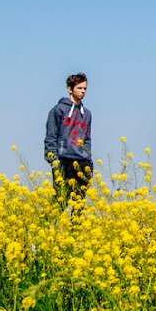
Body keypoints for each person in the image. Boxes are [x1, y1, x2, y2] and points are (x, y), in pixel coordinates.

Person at [45, 73, 93, 210]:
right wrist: (53, 160)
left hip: (82, 161)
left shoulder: (87, 114)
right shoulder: (58, 110)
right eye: (79, 88)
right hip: (63, 160)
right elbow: (50, 136)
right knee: (61, 200)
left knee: (79, 203)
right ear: (69, 89)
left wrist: (89, 161)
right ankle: (49, 228)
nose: (83, 91)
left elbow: (87, 139)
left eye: (85, 88)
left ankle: (75, 230)